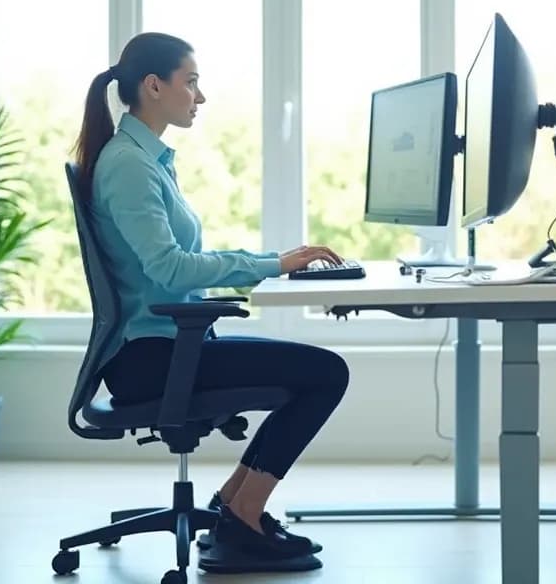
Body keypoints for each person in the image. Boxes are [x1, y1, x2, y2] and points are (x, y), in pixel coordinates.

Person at [73, 32, 349, 573]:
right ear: (154, 87)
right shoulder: (129, 165)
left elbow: (170, 264)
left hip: (164, 345)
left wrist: (270, 261)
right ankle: (245, 510)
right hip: (150, 359)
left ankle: (235, 503)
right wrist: (272, 263)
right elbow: (170, 268)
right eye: (191, 82)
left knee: (311, 373)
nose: (201, 96)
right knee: (326, 374)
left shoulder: (144, 158)